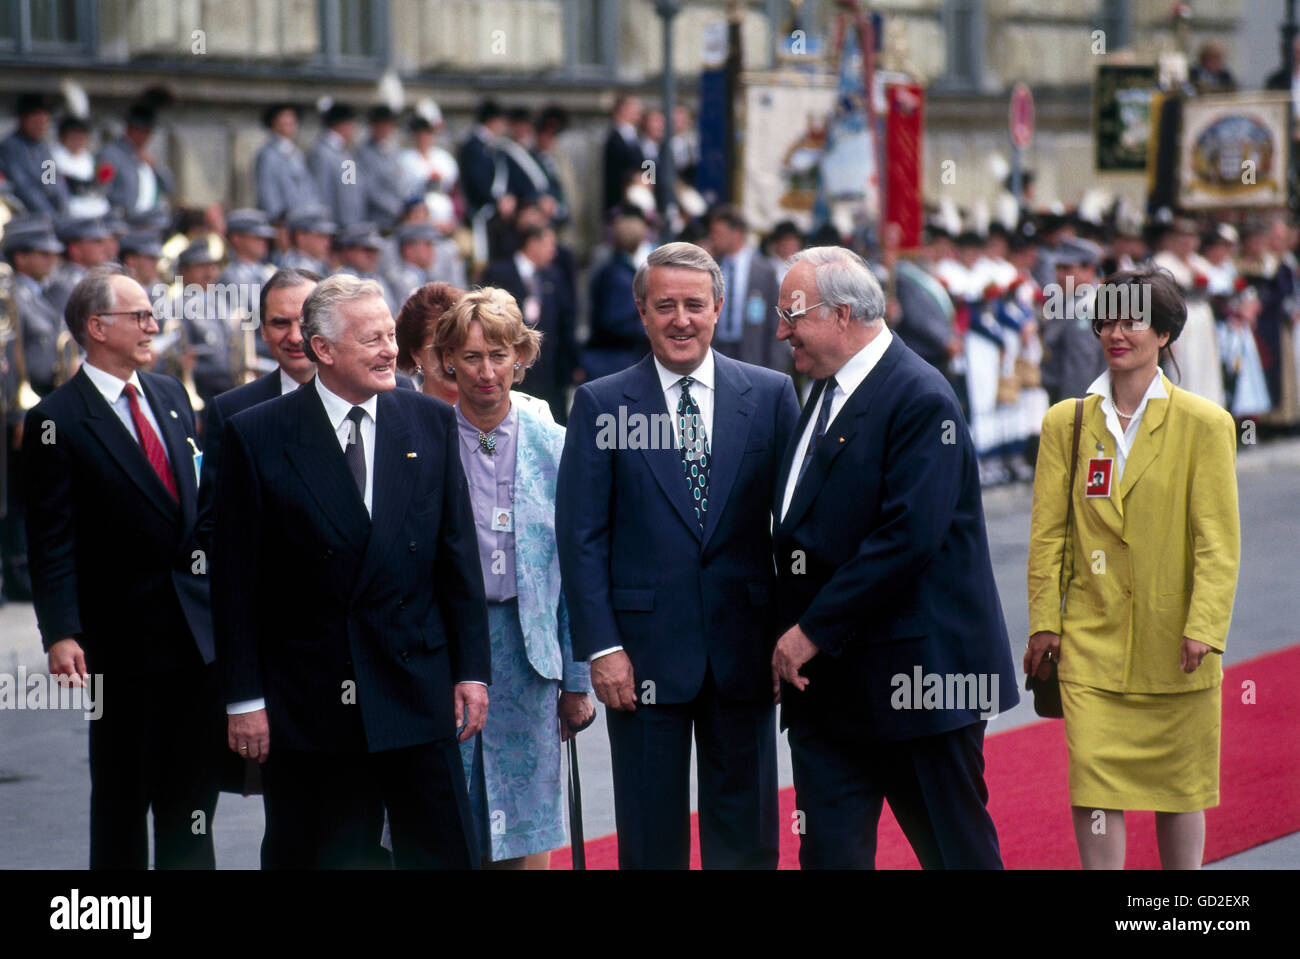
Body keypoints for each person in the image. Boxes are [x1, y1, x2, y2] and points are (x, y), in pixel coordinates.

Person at [210, 273, 490, 869]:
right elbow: (234, 584)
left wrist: (472, 672)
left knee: (441, 854)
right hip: (309, 704)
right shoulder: (257, 435)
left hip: (416, 688)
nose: (392, 350)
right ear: (324, 350)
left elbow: (457, 561)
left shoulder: (432, 423)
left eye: (391, 335)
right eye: (373, 340)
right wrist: (243, 701)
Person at [770, 246, 1019, 869]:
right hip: (831, 695)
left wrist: (808, 633)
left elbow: (907, 538)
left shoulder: (919, 396)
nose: (780, 330)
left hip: (919, 687)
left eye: (792, 314)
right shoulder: (824, 393)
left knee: (956, 855)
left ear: (845, 314)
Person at [556, 241, 801, 869]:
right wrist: (601, 650)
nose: (681, 319)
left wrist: (792, 632)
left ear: (719, 308)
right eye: (664, 305)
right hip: (638, 661)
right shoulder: (601, 402)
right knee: (649, 842)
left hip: (745, 654)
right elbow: (581, 537)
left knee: (744, 840)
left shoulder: (771, 395)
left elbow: (796, 527)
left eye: (695, 304)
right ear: (641, 311)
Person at [1026, 266, 1240, 870]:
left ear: (1166, 333)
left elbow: (1218, 543)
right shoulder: (1064, 423)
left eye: (1133, 320)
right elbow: (1047, 537)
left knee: (1181, 789)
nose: (1117, 333)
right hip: (1091, 646)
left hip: (1177, 646)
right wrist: (1045, 622)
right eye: (1107, 321)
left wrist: (1205, 625)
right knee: (1094, 788)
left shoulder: (1205, 424)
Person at [24, 266, 225, 867]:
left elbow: (191, 500)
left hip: (191, 637)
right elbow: (50, 538)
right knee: (122, 795)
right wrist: (60, 632)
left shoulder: (166, 394)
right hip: (119, 642)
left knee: (191, 797)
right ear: (95, 327)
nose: (153, 326)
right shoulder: (56, 418)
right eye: (138, 316)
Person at [429, 287, 593, 868]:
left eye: (501, 355)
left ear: (522, 357)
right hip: (445, 652)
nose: (487, 371)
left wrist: (578, 678)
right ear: (447, 359)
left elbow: (576, 570)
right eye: (471, 356)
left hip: (530, 657)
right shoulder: (425, 439)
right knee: (446, 814)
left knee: (527, 823)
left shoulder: (555, 445)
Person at [197, 267, 321, 547]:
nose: (295, 336)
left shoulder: (371, 394)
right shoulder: (232, 411)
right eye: (280, 323)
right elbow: (213, 524)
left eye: (305, 322)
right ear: (263, 331)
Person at [2, 220, 65, 602]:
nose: (52, 259)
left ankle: (27, 566)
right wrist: (20, 412)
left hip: (43, 401)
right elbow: (13, 354)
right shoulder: (14, 297)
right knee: (18, 493)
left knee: (38, 486)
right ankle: (17, 569)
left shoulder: (43, 294)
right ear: (21, 258)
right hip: (24, 406)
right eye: (43, 253)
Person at [481, 223, 577, 423]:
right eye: (549, 244)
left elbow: (565, 322)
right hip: (510, 372)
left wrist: (571, 365)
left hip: (549, 373)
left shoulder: (554, 276)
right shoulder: (499, 273)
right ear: (533, 244)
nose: (554, 251)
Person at [708, 205, 786, 373]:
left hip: (751, 352)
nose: (714, 239)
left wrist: (775, 365)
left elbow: (774, 321)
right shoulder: (712, 267)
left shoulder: (764, 271)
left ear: (737, 234)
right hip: (717, 348)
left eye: (719, 234)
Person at [582, 210, 650, 381]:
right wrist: (648, 329)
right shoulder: (620, 277)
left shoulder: (613, 270)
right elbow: (615, 321)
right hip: (614, 360)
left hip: (614, 358)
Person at [395, 281, 466, 406]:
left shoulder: (505, 411)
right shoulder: (403, 415)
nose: (453, 359)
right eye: (441, 348)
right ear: (416, 355)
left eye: (463, 345)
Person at [96, 102, 173, 217]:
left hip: (151, 217)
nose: (145, 136)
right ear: (130, 129)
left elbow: (170, 186)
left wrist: (155, 167)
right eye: (141, 130)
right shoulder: (110, 154)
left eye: (148, 132)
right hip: (125, 219)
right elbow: (103, 189)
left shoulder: (149, 156)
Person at [0, 93, 67, 217]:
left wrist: (62, 211)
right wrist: (50, 216)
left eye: (44, 122)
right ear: (22, 120)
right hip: (25, 216)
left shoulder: (43, 147)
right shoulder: (10, 147)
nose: (40, 127)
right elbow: (23, 188)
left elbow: (53, 182)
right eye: (36, 122)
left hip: (50, 215)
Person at [254, 103, 320, 223]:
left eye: (292, 122)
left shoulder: (297, 152)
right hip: (283, 220)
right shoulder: (268, 154)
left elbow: (307, 185)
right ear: (273, 124)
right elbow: (267, 190)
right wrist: (277, 217)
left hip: (302, 217)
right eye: (283, 121)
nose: (289, 126)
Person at [308, 101, 363, 229]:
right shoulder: (321, 153)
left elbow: (350, 186)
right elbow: (321, 192)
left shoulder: (345, 152)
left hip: (350, 222)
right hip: (334, 223)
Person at [44, 216, 113, 317]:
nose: (103, 248)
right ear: (75, 249)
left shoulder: (95, 277)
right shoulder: (63, 284)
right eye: (96, 242)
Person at [357, 105, 406, 230]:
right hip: (376, 219)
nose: (384, 129)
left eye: (388, 125)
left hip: (398, 218)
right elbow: (368, 189)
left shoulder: (393, 150)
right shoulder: (362, 153)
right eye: (380, 125)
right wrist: (396, 209)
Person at [602, 95, 645, 215]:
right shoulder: (611, 138)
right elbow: (614, 166)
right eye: (634, 109)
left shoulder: (638, 137)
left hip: (639, 198)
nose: (638, 113)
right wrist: (632, 176)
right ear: (621, 110)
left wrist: (648, 178)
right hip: (618, 201)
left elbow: (648, 160)